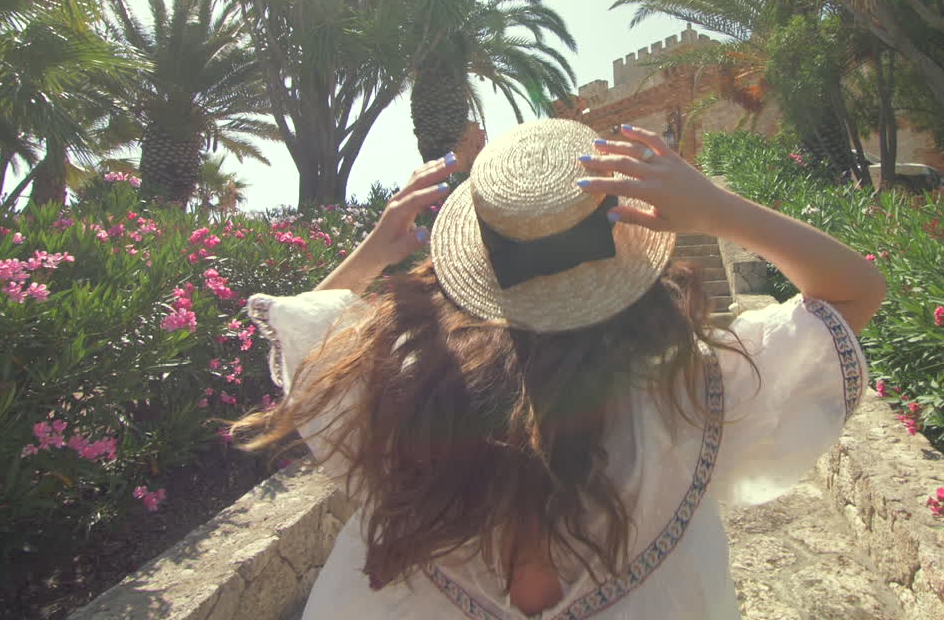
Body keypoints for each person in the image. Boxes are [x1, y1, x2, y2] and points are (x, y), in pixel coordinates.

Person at [237, 119, 886, 619]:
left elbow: (308, 346)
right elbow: (855, 291)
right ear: (619, 252)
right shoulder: (691, 392)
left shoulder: (402, 382)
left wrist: (375, 250)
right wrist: (717, 208)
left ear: (479, 263)